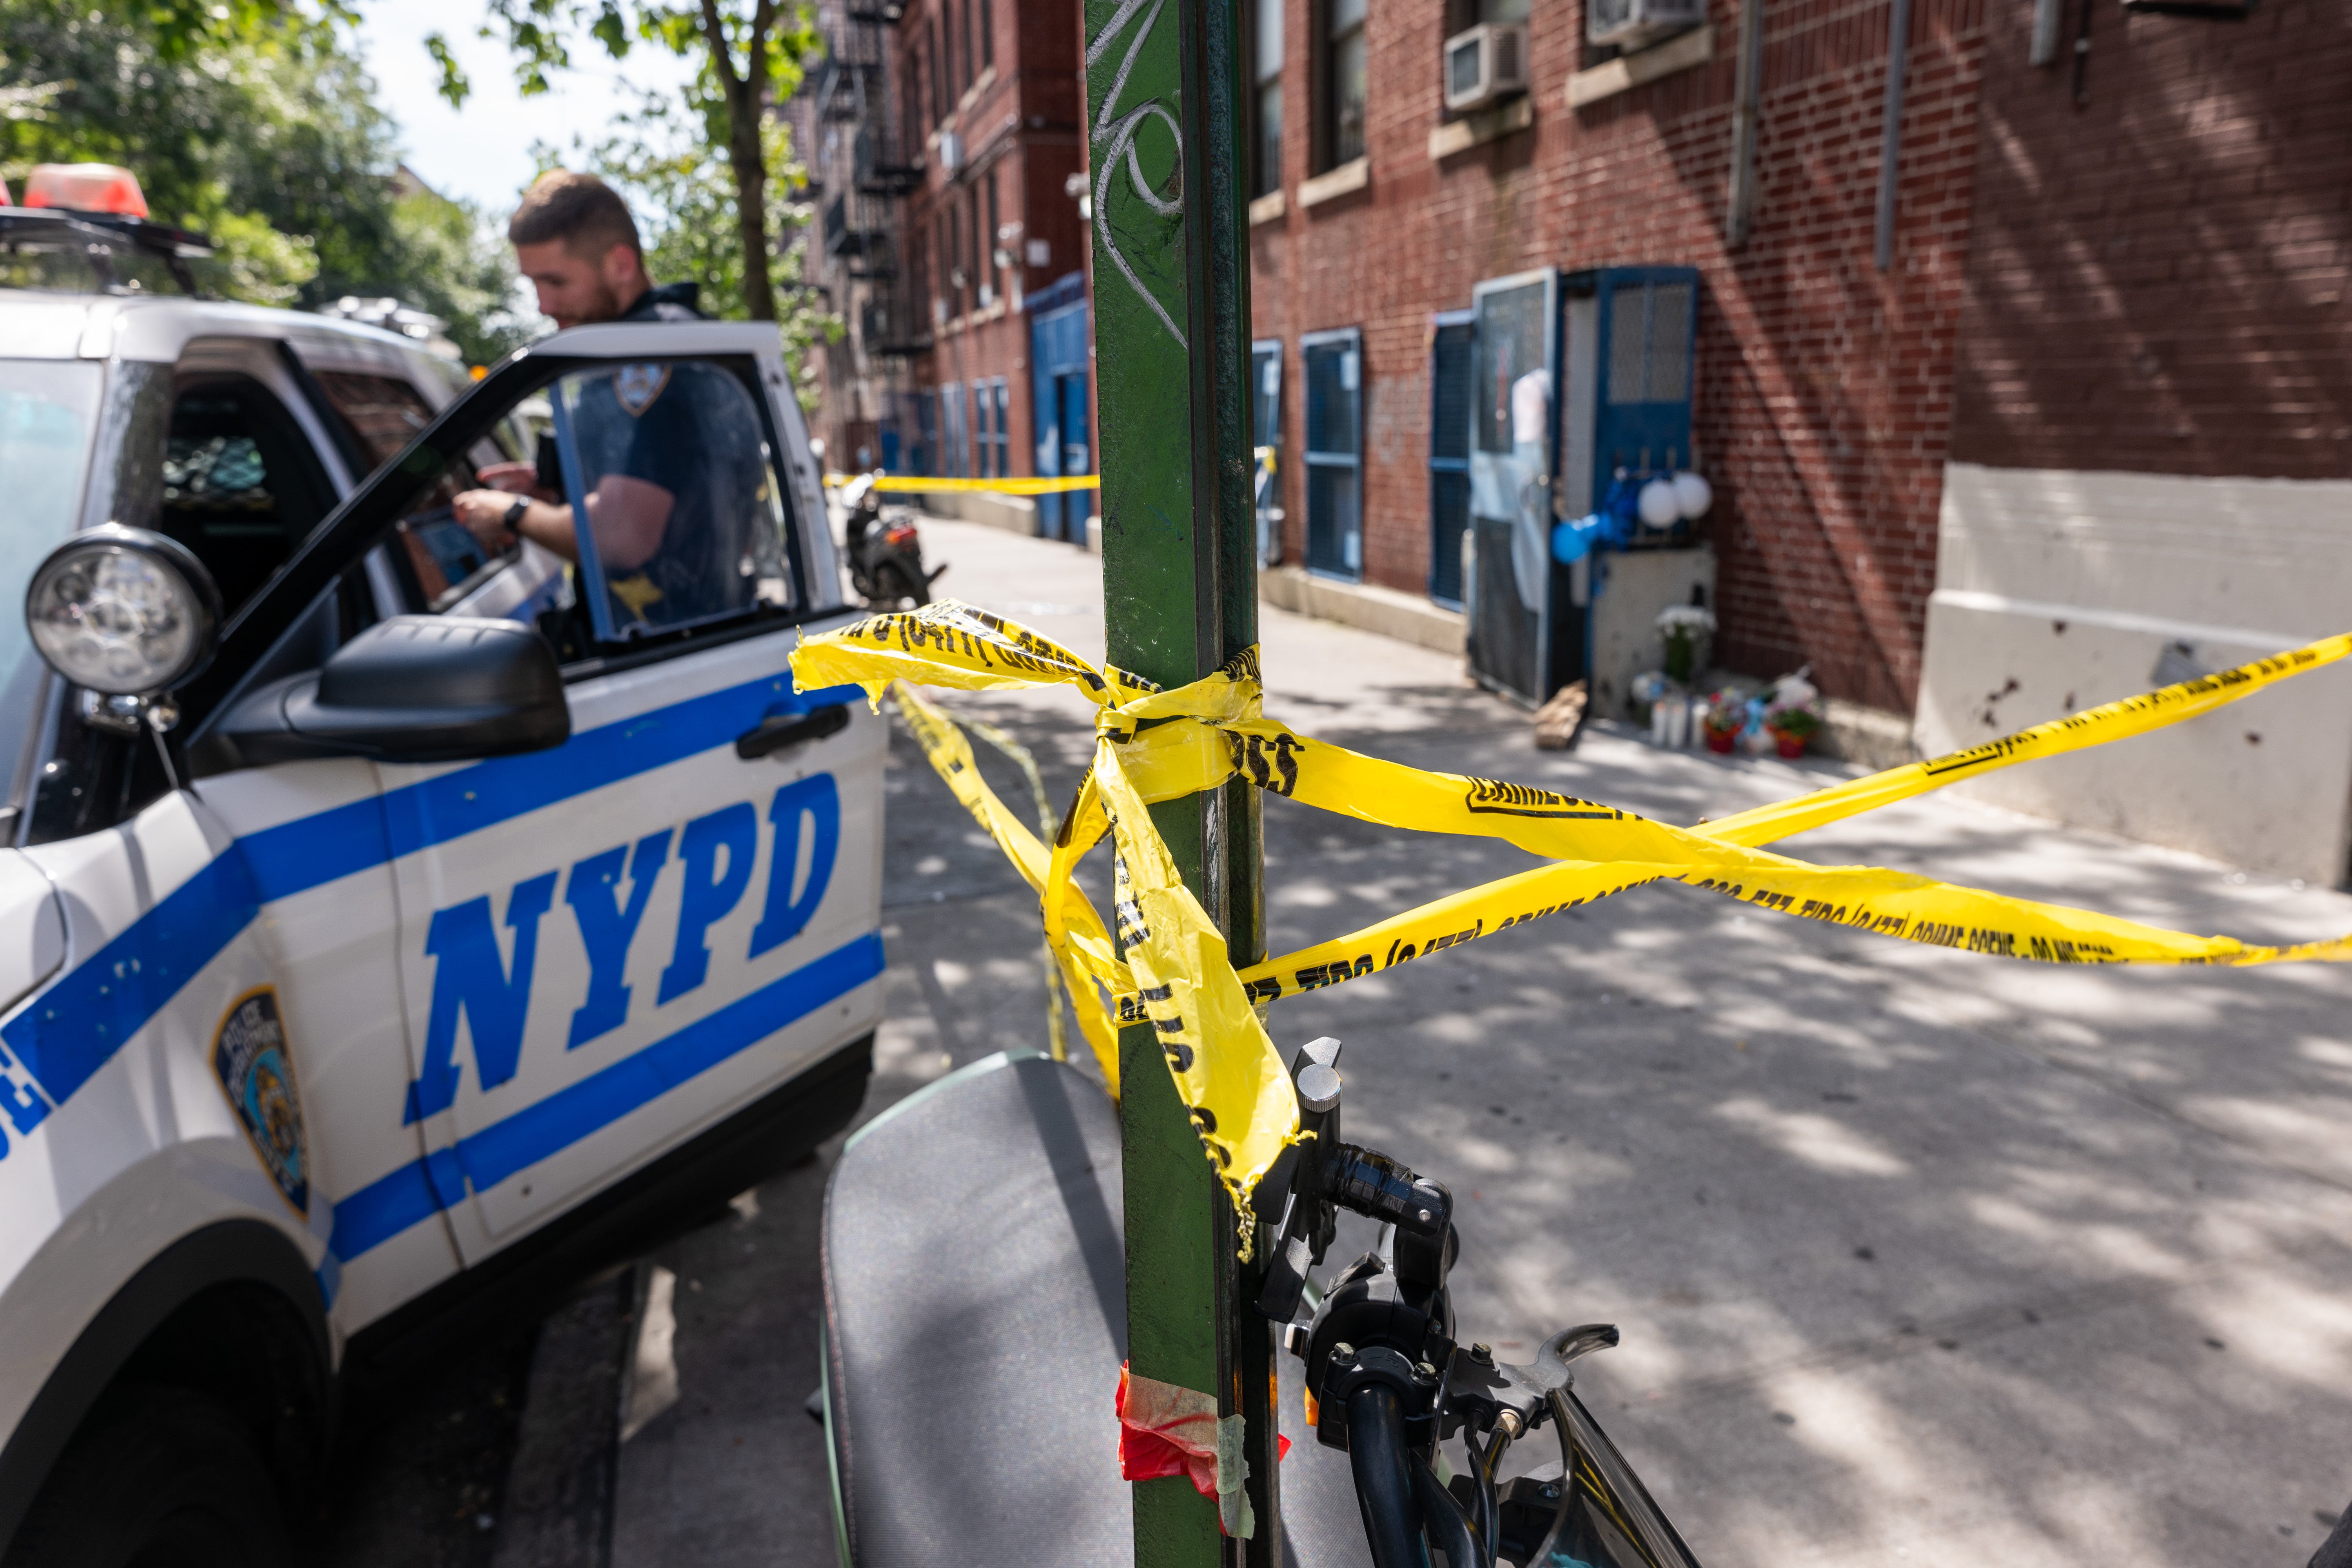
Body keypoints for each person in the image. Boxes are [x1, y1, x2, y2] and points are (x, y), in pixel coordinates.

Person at [450, 171, 763, 632]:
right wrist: (561, 490)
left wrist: (514, 513)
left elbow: (624, 535)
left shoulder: (653, 358)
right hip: (680, 631)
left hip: (673, 646)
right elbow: (667, 484)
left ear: (620, 264)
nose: (542, 304)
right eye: (533, 283)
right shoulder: (642, 347)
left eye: (555, 281)